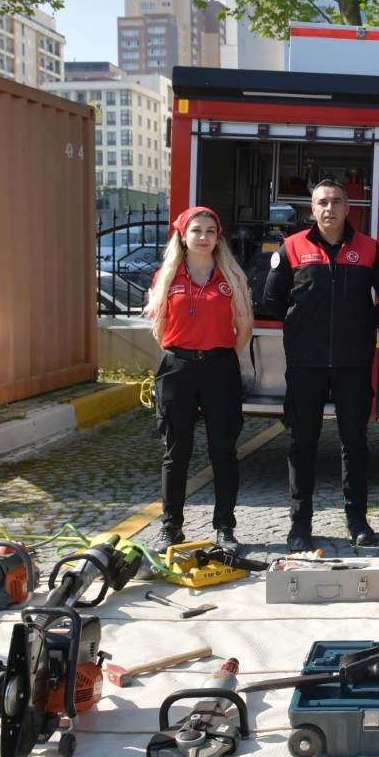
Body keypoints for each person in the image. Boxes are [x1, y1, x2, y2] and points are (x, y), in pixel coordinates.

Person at [262, 179, 379, 552]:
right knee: (303, 443)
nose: (329, 208)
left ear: (347, 208)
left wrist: (366, 324)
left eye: (337, 201)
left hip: (353, 362)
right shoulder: (293, 247)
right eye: (322, 202)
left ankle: (358, 521)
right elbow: (272, 298)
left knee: (354, 443)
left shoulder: (368, 248)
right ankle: (300, 524)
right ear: (312, 209)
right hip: (306, 364)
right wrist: (300, 327)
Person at [144, 206, 254, 552]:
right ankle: (171, 527)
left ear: (217, 237)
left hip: (220, 366)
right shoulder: (166, 276)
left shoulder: (231, 277)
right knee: (176, 452)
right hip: (178, 367)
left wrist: (220, 361)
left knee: (223, 451)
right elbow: (158, 328)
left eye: (210, 231)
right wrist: (184, 355)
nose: (203, 237)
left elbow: (245, 328)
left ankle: (224, 527)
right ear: (183, 235)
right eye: (196, 231)